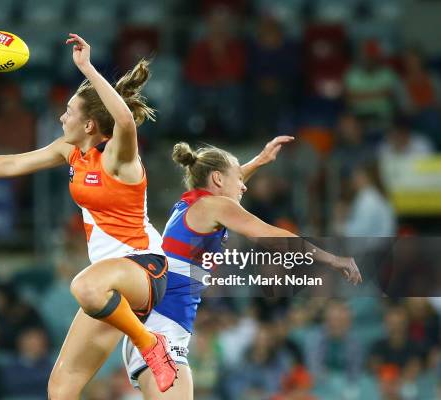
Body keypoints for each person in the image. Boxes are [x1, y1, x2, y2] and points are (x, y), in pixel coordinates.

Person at [0, 33, 177, 396]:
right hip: (111, 294)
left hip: (144, 269)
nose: (62, 116)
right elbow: (14, 162)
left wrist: (87, 69)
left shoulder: (118, 157)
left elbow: (125, 122)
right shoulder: (70, 150)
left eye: (69, 111)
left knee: (83, 285)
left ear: (90, 125)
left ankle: (149, 344)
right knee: (61, 386)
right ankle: (145, 339)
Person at [123, 137, 363, 399]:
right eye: (238, 178)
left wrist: (258, 162)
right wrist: (332, 259)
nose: (244, 186)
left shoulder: (189, 205)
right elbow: (272, 235)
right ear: (216, 178)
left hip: (151, 331)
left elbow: (225, 187)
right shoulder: (216, 206)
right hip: (164, 336)